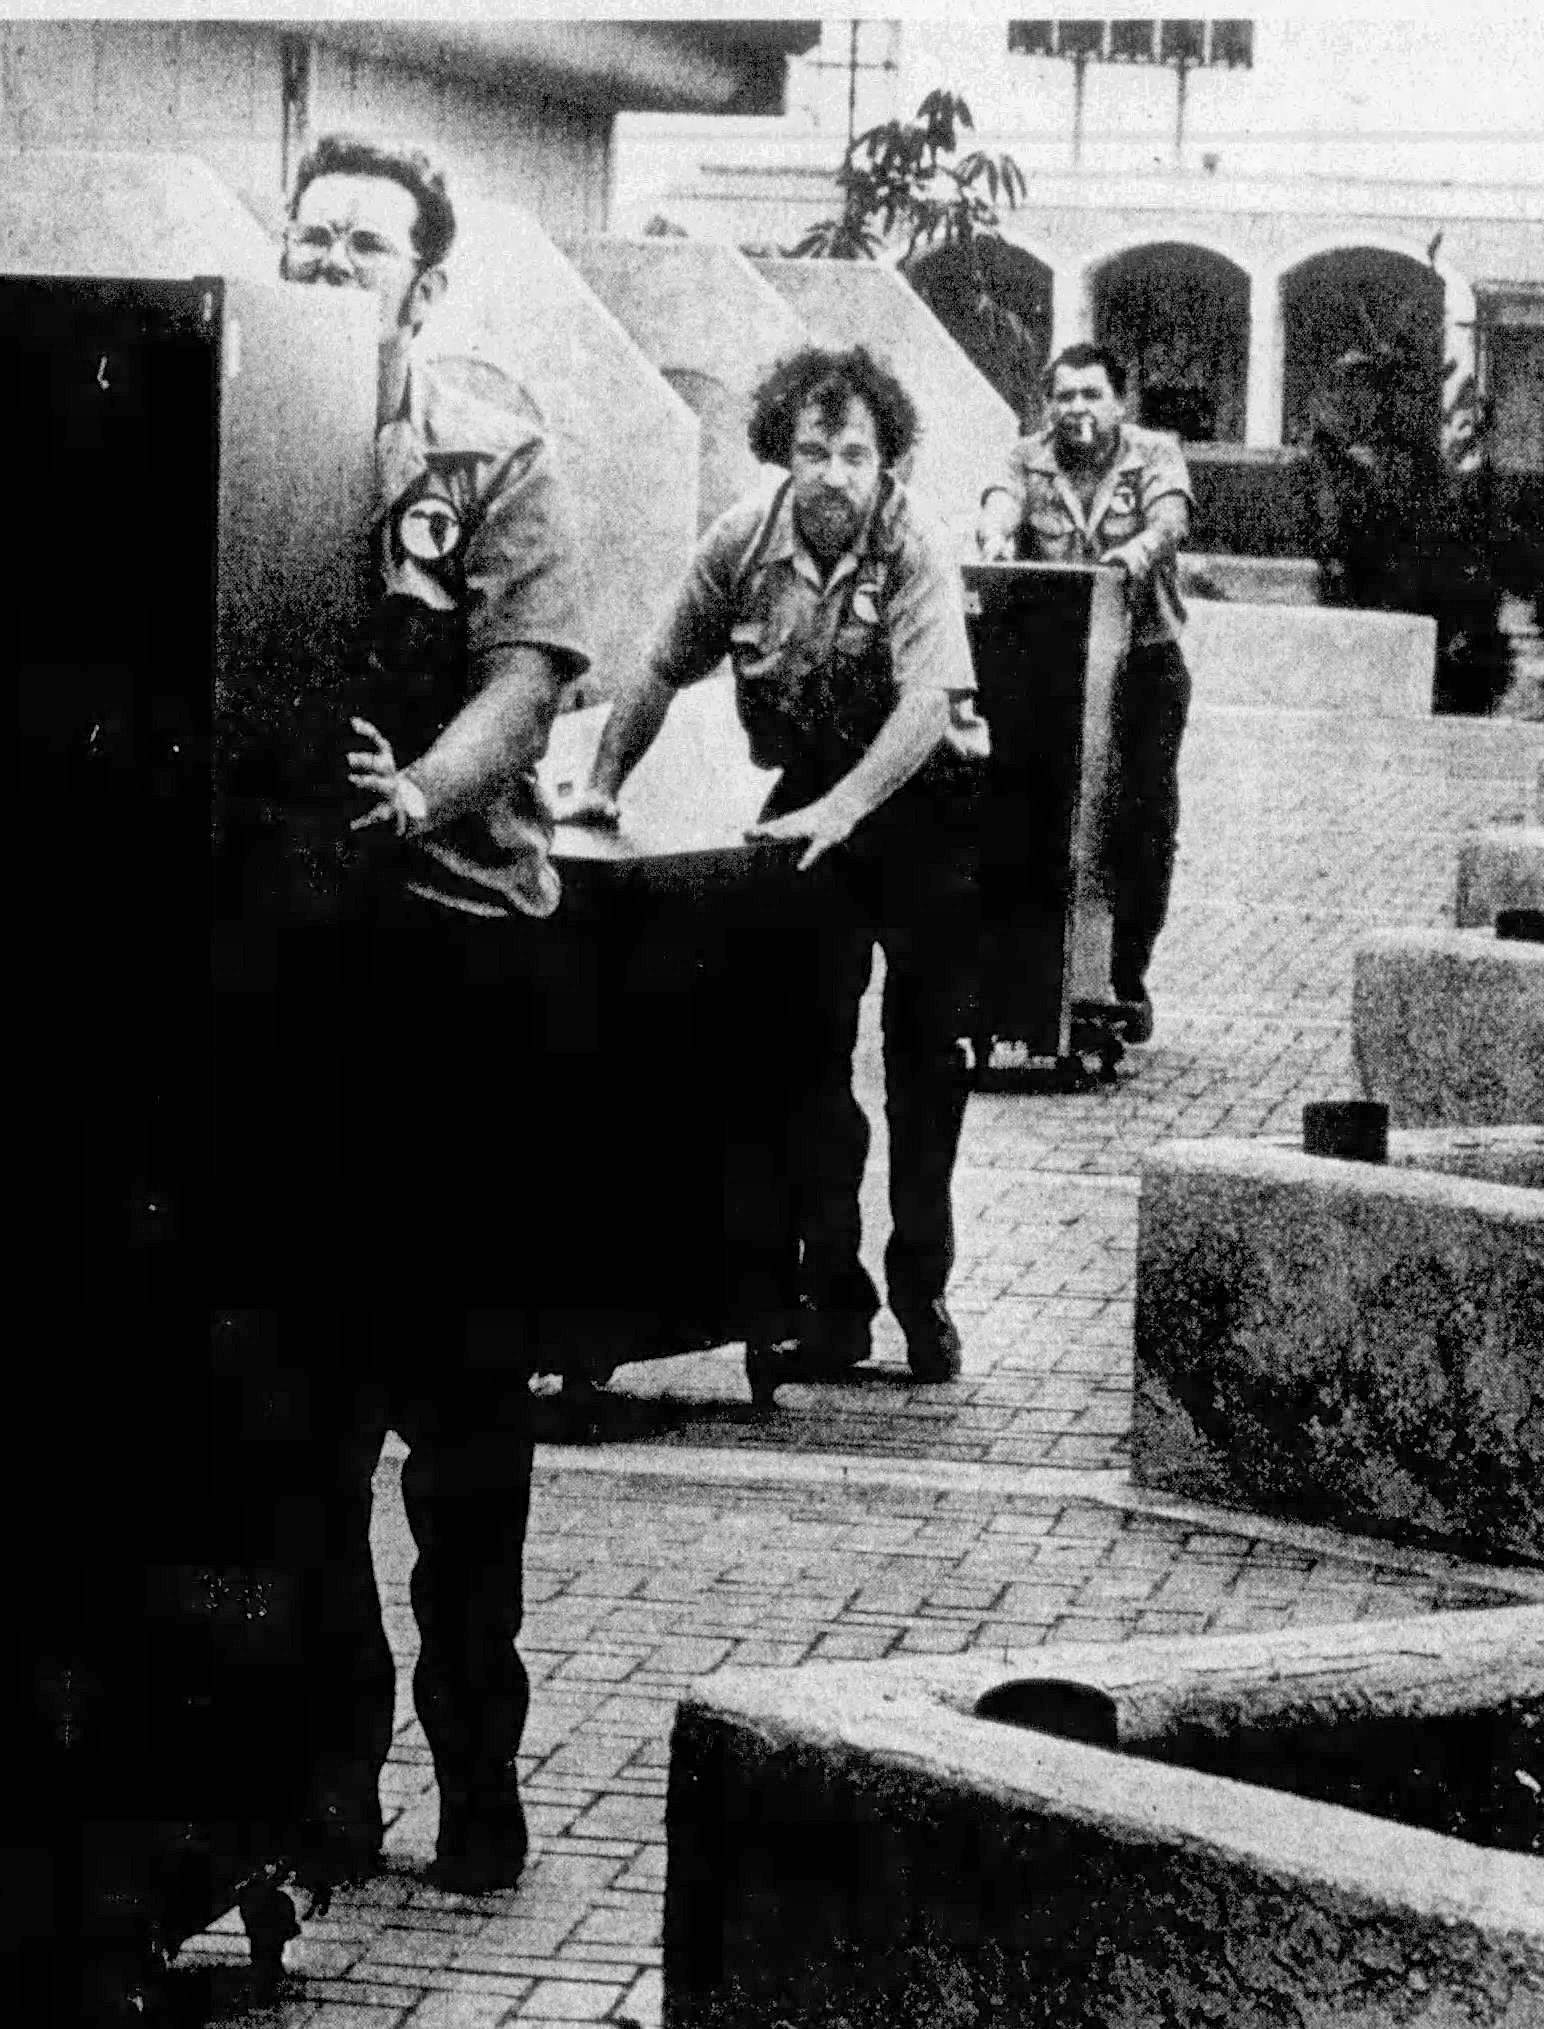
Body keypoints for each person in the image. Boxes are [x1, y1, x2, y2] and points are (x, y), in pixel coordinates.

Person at [235, 131, 589, 1897]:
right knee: (300, 1411)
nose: (323, 268)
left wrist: (418, 795)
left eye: (359, 247)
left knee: (462, 1414)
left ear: (423, 282)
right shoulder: (237, 413)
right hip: (299, 974)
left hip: (458, 967)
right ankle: (331, 1776)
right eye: (305, 239)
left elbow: (525, 683)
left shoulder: (489, 445)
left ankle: (477, 1773)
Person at [566, 345, 983, 1385]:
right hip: (808, 802)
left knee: (927, 1067)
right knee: (803, 1058)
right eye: (814, 451)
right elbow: (661, 666)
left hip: (924, 802)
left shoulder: (915, 543)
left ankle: (922, 1289)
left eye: (856, 454)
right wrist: (603, 784)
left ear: (887, 460)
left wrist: (849, 808)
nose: (835, 475)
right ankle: (831, 1298)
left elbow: (928, 703)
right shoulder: (740, 543)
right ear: (783, 455)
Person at [975, 342, 1192, 1044]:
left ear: (1118, 402)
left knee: (1143, 819)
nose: (1077, 408)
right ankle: (1036, 979)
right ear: (1048, 406)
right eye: (1064, 396)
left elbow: (1169, 519)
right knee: (1035, 815)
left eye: (1091, 394)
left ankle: (1125, 976)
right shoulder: (1027, 458)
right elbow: (1000, 504)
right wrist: (994, 536)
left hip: (1143, 661)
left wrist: (1139, 550)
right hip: (1056, 670)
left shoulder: (1153, 453)